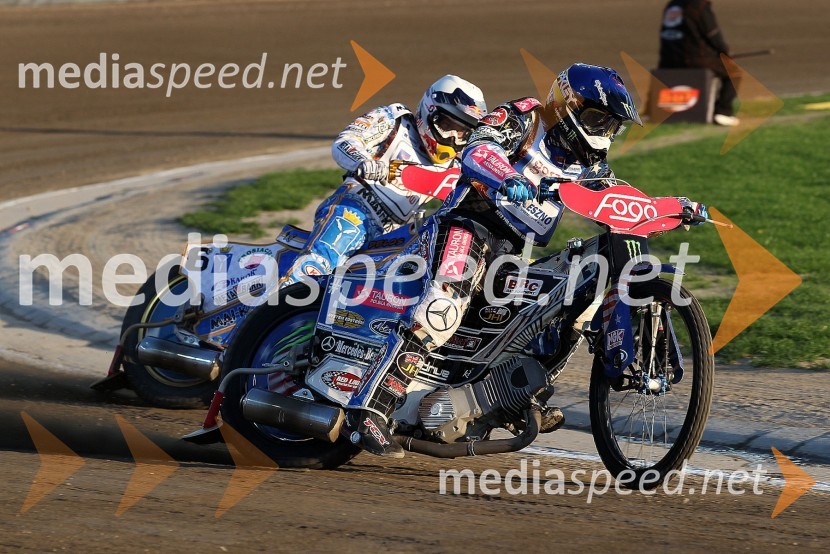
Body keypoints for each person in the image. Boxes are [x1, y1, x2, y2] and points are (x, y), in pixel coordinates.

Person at [347, 63, 643, 457]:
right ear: (567, 104)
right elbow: (478, 147)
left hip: (511, 253)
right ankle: (371, 406)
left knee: (567, 299)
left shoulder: (590, 163)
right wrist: (506, 176)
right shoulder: (524, 117)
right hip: (467, 225)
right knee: (444, 307)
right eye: (597, 119)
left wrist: (669, 209)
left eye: (611, 127)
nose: (603, 133)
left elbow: (613, 198)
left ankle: (511, 399)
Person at [280, 75, 487, 285]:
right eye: (447, 125)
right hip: (356, 210)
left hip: (394, 236)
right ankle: (272, 306)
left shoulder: (457, 165)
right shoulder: (394, 120)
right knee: (317, 264)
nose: (453, 138)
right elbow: (344, 142)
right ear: (429, 111)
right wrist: (363, 162)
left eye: (462, 133)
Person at [658, 0, 739, 126]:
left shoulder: (672, 5)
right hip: (695, 60)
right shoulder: (699, 6)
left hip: (668, 60)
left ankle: (652, 109)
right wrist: (725, 52)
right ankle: (723, 112)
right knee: (733, 73)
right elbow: (712, 34)